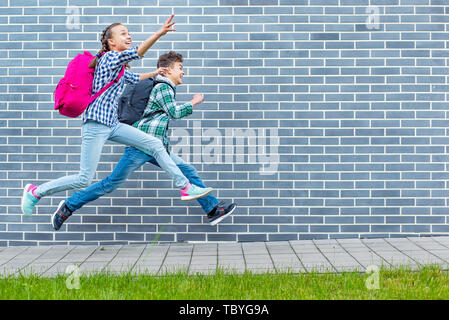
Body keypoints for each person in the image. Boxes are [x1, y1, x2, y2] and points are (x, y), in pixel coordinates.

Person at [21, 15, 213, 217]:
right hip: (96, 124)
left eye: (129, 33)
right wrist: (158, 33)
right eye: (123, 33)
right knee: (84, 179)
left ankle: (185, 187)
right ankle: (36, 192)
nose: (128, 36)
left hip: (112, 124)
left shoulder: (119, 69)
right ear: (111, 42)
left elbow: (134, 77)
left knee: (155, 144)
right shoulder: (109, 58)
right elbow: (136, 53)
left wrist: (155, 71)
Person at [52, 51, 236, 230]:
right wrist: (194, 102)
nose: (183, 71)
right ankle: (68, 206)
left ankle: (213, 209)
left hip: (156, 147)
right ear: (167, 70)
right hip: (141, 147)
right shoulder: (163, 87)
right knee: (110, 184)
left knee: (187, 170)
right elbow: (175, 112)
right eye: (180, 67)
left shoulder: (164, 87)